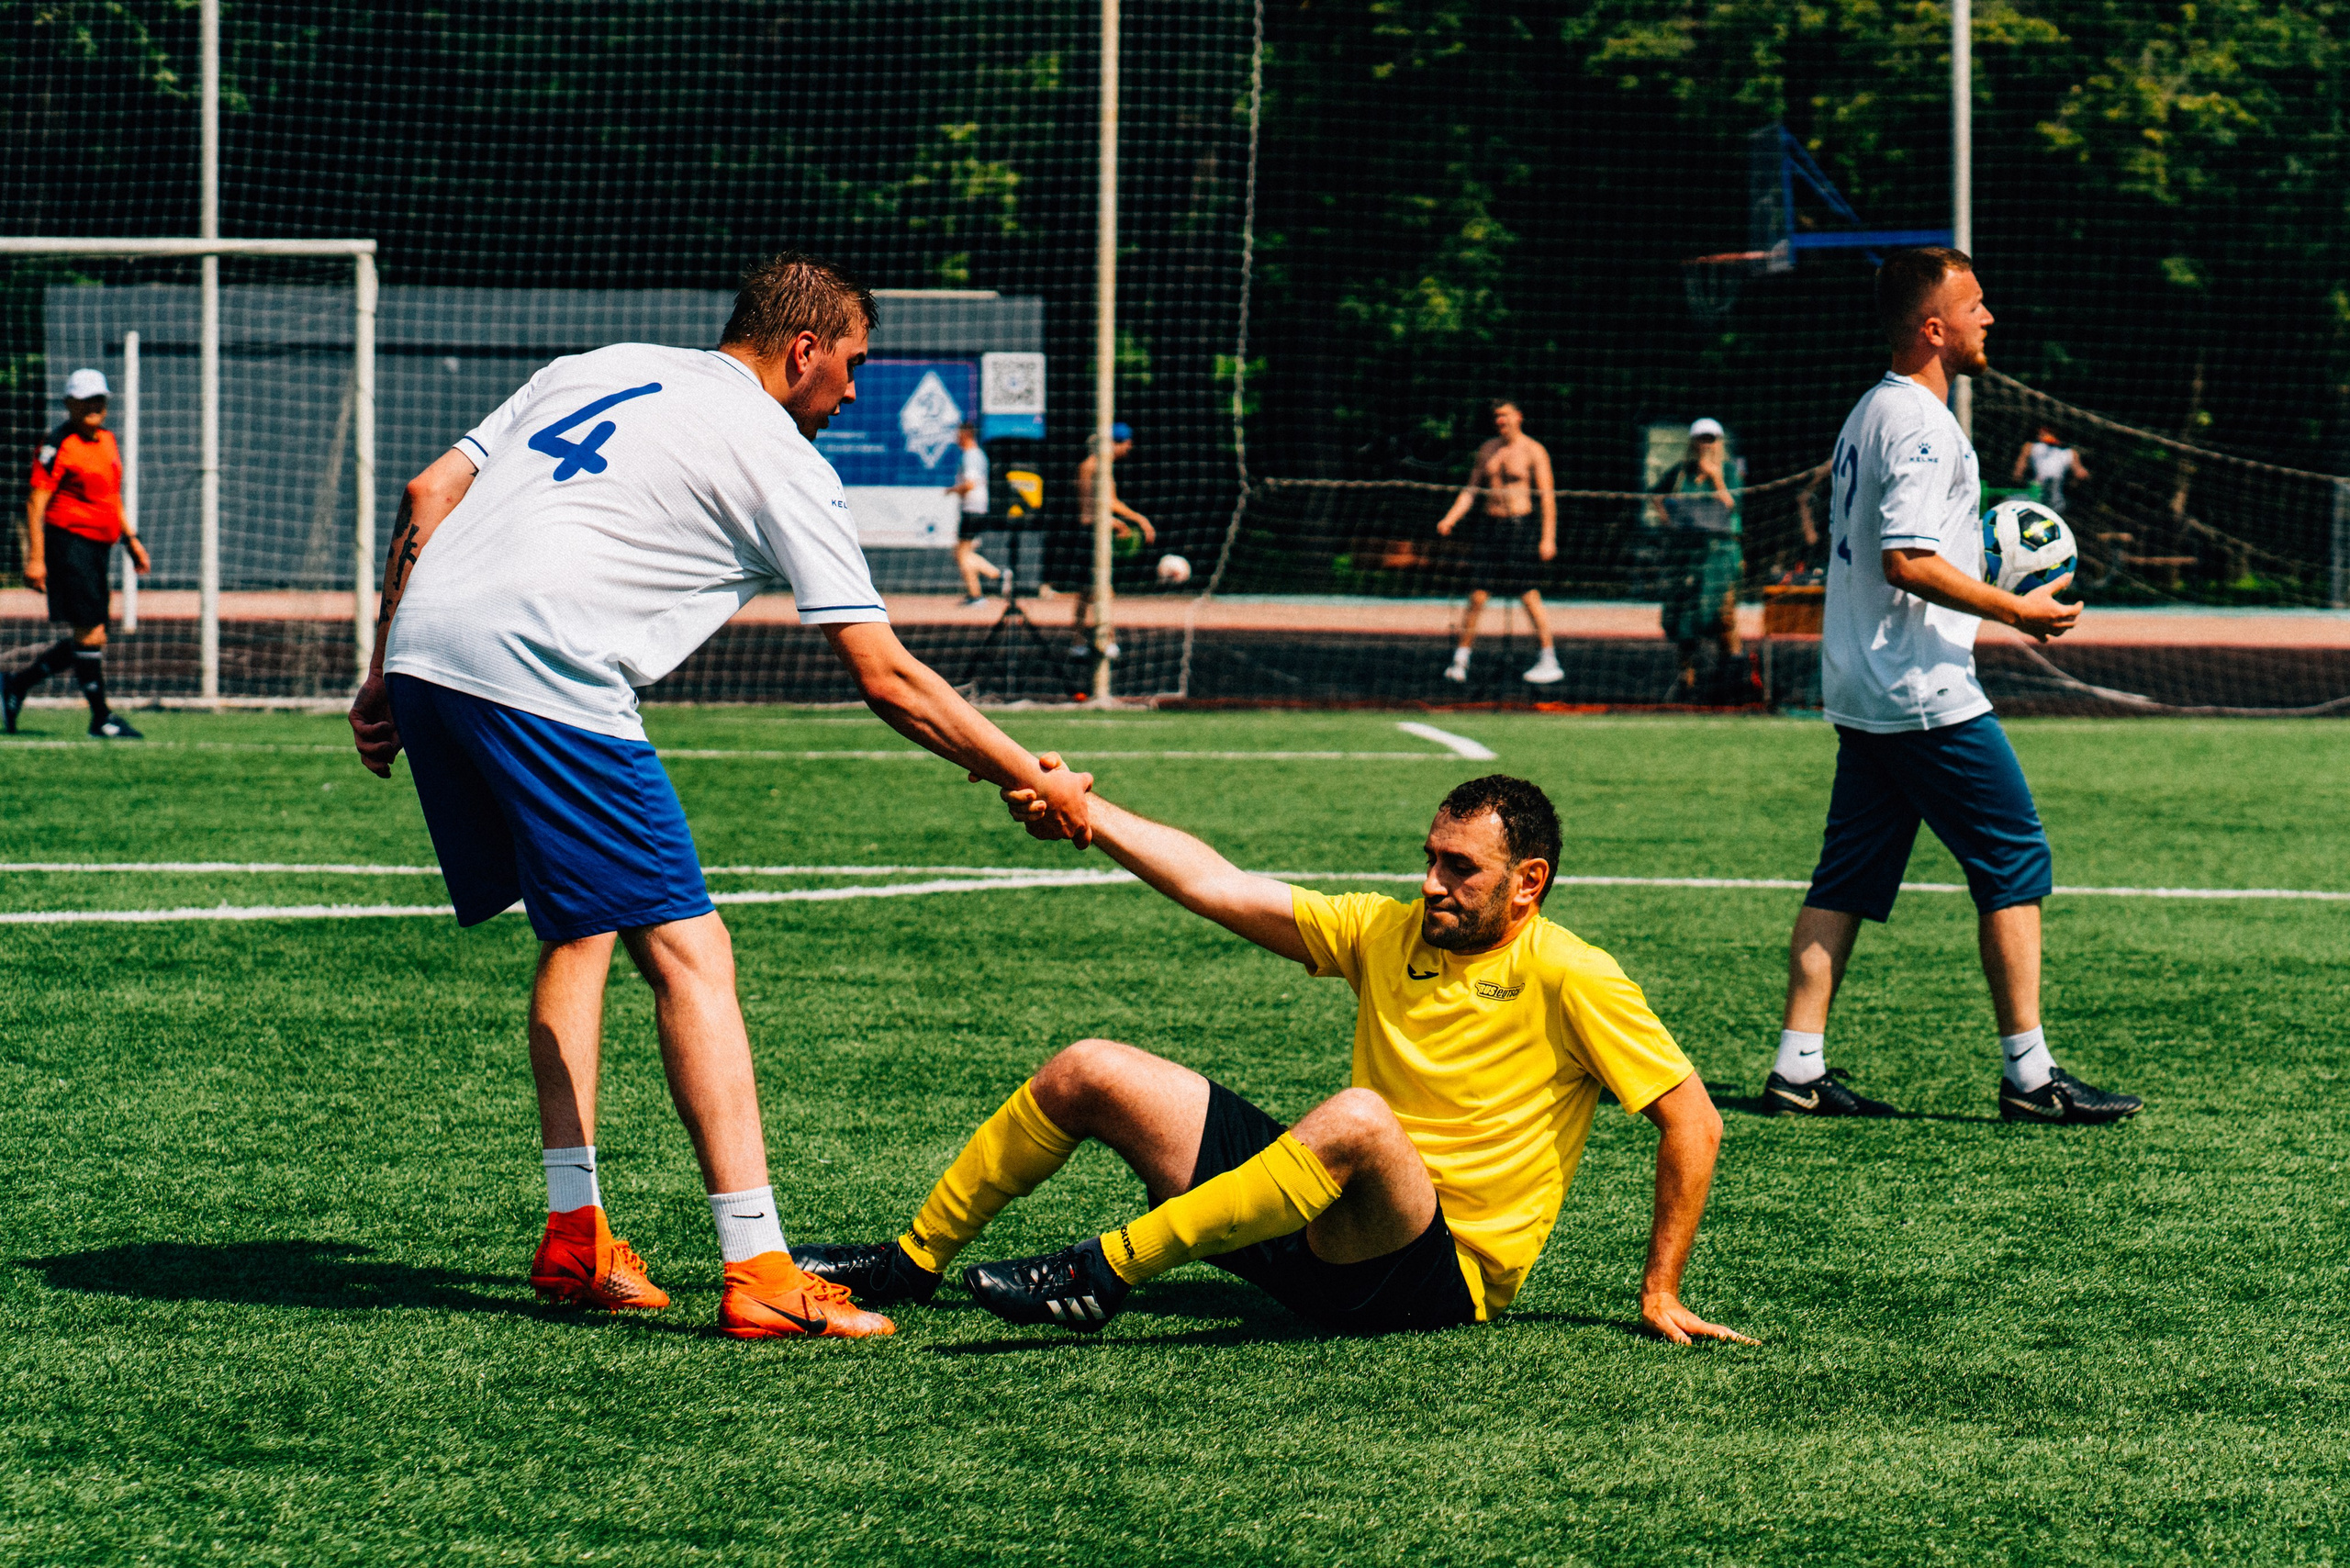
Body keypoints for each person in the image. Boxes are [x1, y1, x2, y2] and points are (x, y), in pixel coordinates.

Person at [345, 252, 1097, 1340]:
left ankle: (574, 1236)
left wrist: (380, 674)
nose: (851, 392)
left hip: (427, 651)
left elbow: (429, 492)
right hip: (543, 665)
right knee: (692, 953)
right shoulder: (777, 453)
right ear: (803, 350)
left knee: (580, 932)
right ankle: (757, 1266)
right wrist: (1031, 774)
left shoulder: (597, 363)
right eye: (851, 366)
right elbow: (884, 675)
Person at [797, 773, 1751, 1347]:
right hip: (1322, 1226)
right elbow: (1214, 883)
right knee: (1088, 1067)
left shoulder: (1573, 974)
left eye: (1459, 867)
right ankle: (910, 1261)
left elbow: (1691, 1119)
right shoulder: (1387, 930)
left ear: (1526, 881)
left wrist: (1658, 1287)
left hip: (1433, 1278)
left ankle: (1102, 1272)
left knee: (1360, 1118)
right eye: (1430, 856)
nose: (1431, 882)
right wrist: (1087, 813)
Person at [1766, 246, 2140, 1125]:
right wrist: (2014, 607)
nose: (1989, 318)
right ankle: (2031, 1077)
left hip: (1864, 687)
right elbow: (1906, 559)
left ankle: (1797, 1066)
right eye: (1975, 304)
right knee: (2016, 860)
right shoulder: (1928, 427)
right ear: (1934, 328)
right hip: (1922, 691)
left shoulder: (1871, 410)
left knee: (1845, 881)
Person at [6, 368, 151, 738]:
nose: (94, 406)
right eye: (86, 399)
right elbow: (36, 503)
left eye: (99, 399)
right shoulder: (57, 444)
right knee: (89, 632)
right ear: (69, 404)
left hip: (99, 546)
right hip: (68, 544)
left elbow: (111, 496)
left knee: (94, 636)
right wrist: (35, 558)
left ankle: (16, 685)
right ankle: (101, 717)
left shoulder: (107, 440)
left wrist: (131, 539)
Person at [1436, 400, 1561, 686]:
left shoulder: (1533, 450)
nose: (1500, 421)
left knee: (1528, 594)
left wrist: (1548, 537)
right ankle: (1461, 660)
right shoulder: (1488, 449)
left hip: (1520, 526)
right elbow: (1471, 490)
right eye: (1496, 416)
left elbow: (1547, 497)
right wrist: (1450, 518)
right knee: (1478, 595)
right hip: (1491, 526)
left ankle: (1548, 657)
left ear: (1518, 416)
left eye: (1505, 415)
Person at [1646, 418, 1756, 702]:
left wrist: (1715, 477)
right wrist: (1668, 520)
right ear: (1693, 442)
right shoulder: (1681, 473)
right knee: (1685, 616)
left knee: (1724, 616)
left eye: (1712, 438)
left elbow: (1734, 506)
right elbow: (1656, 495)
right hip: (1687, 556)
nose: (1707, 444)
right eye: (1701, 438)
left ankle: (1730, 675)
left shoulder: (1729, 472)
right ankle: (1687, 680)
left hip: (1721, 554)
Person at [1057, 422, 1152, 657]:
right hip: (1093, 533)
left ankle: (1079, 641)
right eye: (1127, 444)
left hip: (1090, 530)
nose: (1129, 449)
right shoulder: (1098, 465)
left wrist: (1122, 521)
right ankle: (1104, 639)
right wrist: (1135, 520)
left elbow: (1098, 503)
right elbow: (1105, 503)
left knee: (1086, 593)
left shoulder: (1088, 464)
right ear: (1115, 443)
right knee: (1103, 591)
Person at [947, 423, 1001, 604]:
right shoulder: (979, 455)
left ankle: (996, 577)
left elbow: (970, 485)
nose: (956, 438)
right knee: (963, 554)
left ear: (966, 435)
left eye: (958, 434)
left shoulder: (971, 456)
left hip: (972, 509)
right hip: (978, 508)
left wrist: (953, 490)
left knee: (962, 554)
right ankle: (976, 594)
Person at [2012, 424, 2087, 513]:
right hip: (2042, 494)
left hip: (2048, 496)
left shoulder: (2069, 453)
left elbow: (2018, 472)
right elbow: (2082, 474)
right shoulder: (2069, 452)